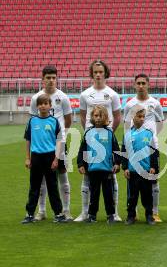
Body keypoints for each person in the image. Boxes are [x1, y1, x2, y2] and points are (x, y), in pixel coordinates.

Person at [75, 60, 122, 222]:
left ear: (105, 73)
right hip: (91, 140)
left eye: (101, 72)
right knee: (88, 177)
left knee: (111, 179)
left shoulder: (113, 94)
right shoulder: (85, 94)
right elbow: (82, 116)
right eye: (95, 72)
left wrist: (108, 134)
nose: (98, 75)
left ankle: (113, 213)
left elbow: (117, 117)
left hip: (106, 139)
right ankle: (85, 213)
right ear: (92, 74)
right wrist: (90, 132)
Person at [30, 65, 73, 221]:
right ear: (43, 79)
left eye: (53, 78)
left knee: (62, 175)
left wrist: (61, 137)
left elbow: (68, 120)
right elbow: (33, 121)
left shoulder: (63, 97)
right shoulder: (36, 98)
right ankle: (41, 211)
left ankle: (66, 210)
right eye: (48, 78)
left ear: (56, 79)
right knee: (41, 178)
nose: (51, 80)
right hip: (41, 146)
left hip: (58, 144)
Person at [123, 74, 164, 222]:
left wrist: (151, 136)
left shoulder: (155, 103)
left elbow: (160, 123)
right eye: (138, 83)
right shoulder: (129, 104)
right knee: (133, 185)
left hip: (150, 146)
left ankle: (154, 212)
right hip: (134, 148)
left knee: (153, 181)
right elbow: (127, 125)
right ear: (134, 85)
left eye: (143, 83)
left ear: (148, 85)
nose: (141, 86)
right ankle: (133, 213)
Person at [22, 94, 66, 223]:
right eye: (40, 104)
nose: (43, 106)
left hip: (50, 157)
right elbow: (28, 140)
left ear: (50, 106)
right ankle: (30, 214)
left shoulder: (54, 121)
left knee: (53, 186)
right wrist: (27, 158)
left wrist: (56, 159)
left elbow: (59, 141)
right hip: (36, 157)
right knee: (34, 187)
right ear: (37, 106)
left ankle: (58, 214)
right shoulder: (32, 121)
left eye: (45, 103)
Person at [77, 106, 121, 223]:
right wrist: (81, 164)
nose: (98, 118)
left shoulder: (109, 133)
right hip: (92, 169)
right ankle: (92, 215)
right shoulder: (88, 133)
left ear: (105, 117)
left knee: (108, 194)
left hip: (107, 169)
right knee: (94, 194)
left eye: (101, 116)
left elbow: (116, 149)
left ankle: (110, 215)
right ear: (92, 117)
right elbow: (82, 150)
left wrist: (117, 163)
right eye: (96, 115)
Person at [122, 108, 159, 225]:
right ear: (133, 117)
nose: (142, 119)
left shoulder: (148, 133)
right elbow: (124, 152)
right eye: (139, 116)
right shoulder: (127, 134)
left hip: (146, 171)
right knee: (132, 196)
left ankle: (149, 216)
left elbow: (154, 151)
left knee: (147, 196)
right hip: (132, 171)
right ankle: (131, 216)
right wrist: (125, 168)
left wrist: (154, 166)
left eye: (143, 116)